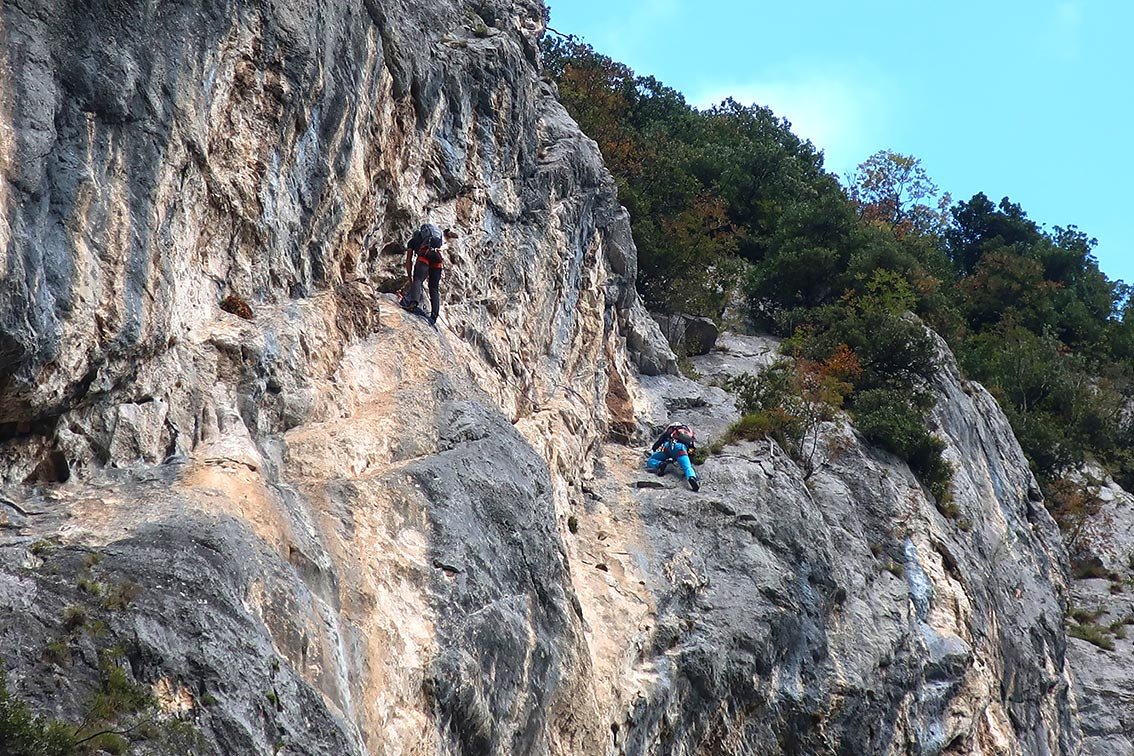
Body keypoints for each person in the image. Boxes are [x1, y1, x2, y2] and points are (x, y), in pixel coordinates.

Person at [399, 223, 444, 325]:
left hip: (424, 258)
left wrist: (410, 277)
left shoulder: (413, 242)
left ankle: (413, 304)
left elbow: (409, 260)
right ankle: (434, 315)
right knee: (434, 288)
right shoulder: (434, 240)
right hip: (437, 260)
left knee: (418, 279)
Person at [646, 423, 700, 491]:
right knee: (687, 467)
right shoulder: (687, 434)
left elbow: (659, 442)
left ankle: (660, 464)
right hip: (681, 449)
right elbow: (691, 449)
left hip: (668, 448)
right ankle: (691, 477)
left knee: (651, 460)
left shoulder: (670, 431)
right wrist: (690, 458)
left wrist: (654, 449)